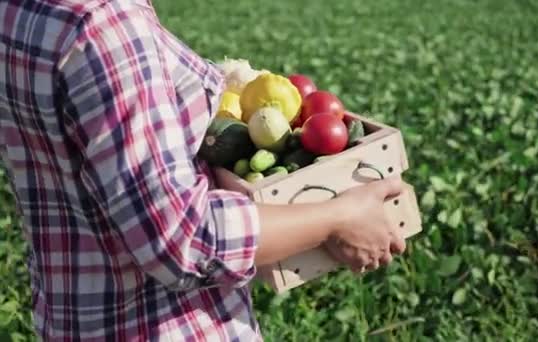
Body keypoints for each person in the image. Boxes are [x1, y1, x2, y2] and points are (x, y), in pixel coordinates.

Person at [0, 0, 406, 340]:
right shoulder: (107, 24)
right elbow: (182, 239)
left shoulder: (22, 11)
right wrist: (337, 218)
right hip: (165, 325)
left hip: (76, 317)